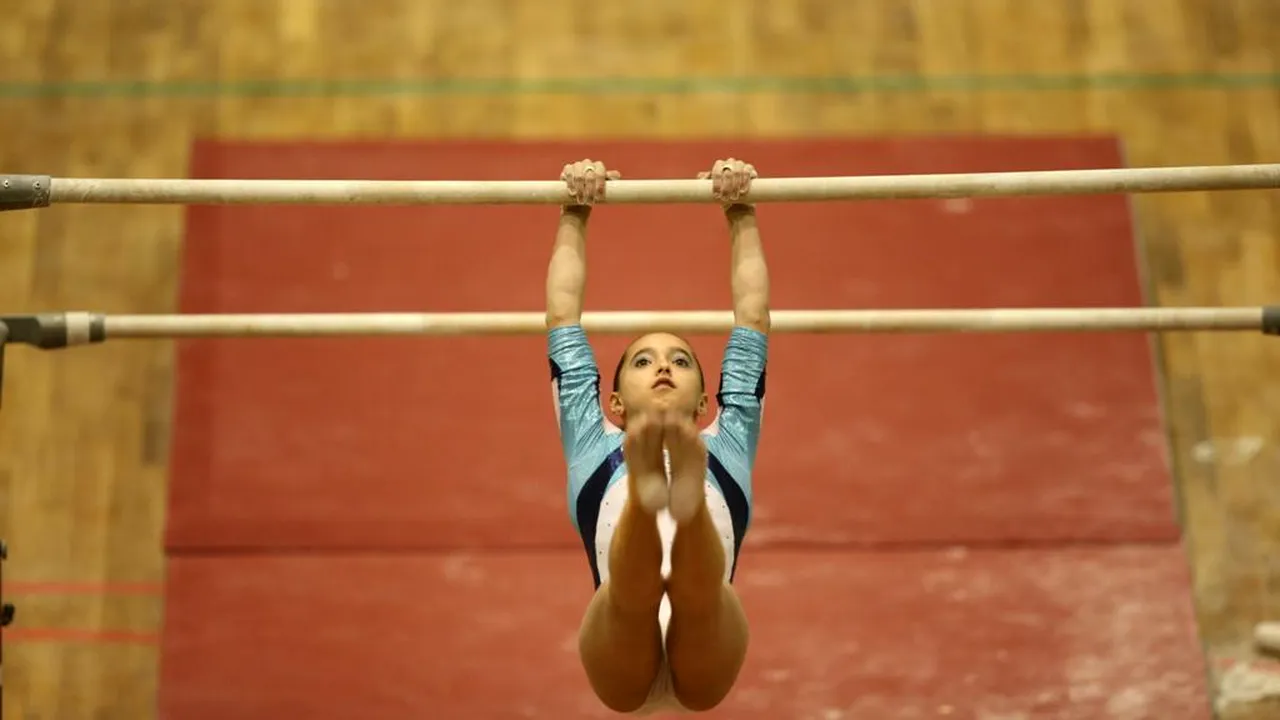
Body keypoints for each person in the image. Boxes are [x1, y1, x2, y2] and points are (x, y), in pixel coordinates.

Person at [545, 157, 771, 714]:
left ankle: (673, 503)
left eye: (681, 360)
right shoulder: (592, 441)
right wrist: (573, 208)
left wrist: (741, 209)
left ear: (704, 399)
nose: (664, 366)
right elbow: (561, 316)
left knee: (699, 599)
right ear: (613, 402)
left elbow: (753, 318)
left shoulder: (727, 441)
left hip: (703, 639)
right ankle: (657, 503)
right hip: (624, 642)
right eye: (643, 360)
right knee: (629, 597)